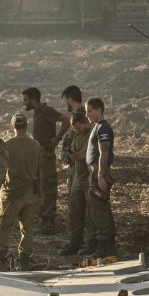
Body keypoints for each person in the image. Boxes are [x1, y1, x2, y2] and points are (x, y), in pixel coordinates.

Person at [0, 113, 40, 272]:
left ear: (11, 127)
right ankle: (25, 260)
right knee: (27, 228)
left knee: (3, 226)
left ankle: (0, 261)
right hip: (30, 193)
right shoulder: (35, 145)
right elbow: (39, 171)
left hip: (10, 194)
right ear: (26, 126)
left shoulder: (7, 145)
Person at [22, 87, 64, 234]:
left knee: (48, 187)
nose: (24, 103)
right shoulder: (38, 113)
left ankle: (48, 223)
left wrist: (57, 138)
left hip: (46, 154)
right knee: (39, 187)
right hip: (39, 154)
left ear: (34, 99)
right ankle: (44, 220)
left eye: (26, 99)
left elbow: (65, 120)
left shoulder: (47, 111)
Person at [83, 97, 117, 258]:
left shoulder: (103, 128)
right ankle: (105, 244)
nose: (87, 114)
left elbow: (104, 152)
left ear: (99, 110)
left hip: (99, 172)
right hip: (95, 172)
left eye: (89, 111)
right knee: (97, 208)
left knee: (99, 210)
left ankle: (106, 246)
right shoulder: (97, 127)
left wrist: (101, 175)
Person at [59, 107, 93, 256]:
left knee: (91, 213)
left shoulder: (94, 133)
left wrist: (83, 155)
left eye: (80, 127)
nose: (78, 130)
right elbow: (69, 153)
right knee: (74, 210)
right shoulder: (76, 135)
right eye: (75, 129)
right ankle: (75, 242)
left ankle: (92, 243)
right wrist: (73, 155)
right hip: (78, 176)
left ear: (85, 122)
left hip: (91, 177)